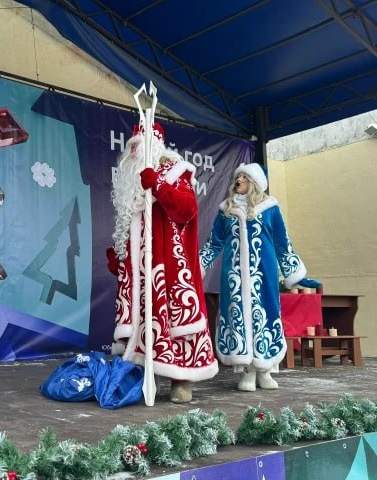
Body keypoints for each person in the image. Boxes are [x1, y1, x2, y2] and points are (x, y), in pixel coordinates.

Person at [107, 124, 218, 403]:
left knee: (175, 320)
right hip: (143, 273)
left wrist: (157, 183)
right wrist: (121, 261)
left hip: (170, 268)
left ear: (153, 148)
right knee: (146, 320)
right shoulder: (132, 188)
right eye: (130, 147)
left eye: (137, 145)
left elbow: (186, 209)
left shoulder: (176, 173)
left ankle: (182, 379)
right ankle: (147, 374)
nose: (133, 151)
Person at [199, 163, 321, 391]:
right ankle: (247, 371)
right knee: (237, 315)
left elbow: (282, 243)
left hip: (264, 273)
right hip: (234, 275)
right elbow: (214, 243)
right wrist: (198, 267)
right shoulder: (226, 209)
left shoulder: (270, 208)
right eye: (237, 177)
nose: (238, 180)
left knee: (266, 313)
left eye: (244, 177)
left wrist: (295, 274)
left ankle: (265, 369)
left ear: (254, 182)